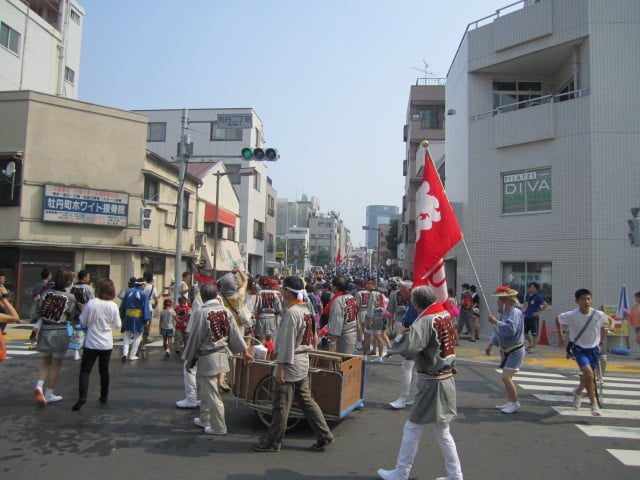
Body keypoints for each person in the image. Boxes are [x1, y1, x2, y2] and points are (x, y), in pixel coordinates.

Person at [377, 285, 463, 480]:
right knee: (442, 431)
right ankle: (455, 475)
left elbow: (409, 347)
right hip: (446, 377)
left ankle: (401, 472)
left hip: (432, 381)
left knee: (413, 427)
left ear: (416, 303)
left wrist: (395, 339)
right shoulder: (444, 314)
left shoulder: (426, 320)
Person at [253, 276, 334, 453]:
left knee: (281, 404)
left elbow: (287, 342)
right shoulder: (306, 310)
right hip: (302, 359)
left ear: (289, 292)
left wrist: (280, 366)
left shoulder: (292, 313)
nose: (281, 292)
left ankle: (273, 442)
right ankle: (324, 434)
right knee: (306, 400)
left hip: (290, 361)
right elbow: (313, 338)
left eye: (283, 290)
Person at [183, 283, 253, 436]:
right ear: (217, 295)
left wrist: (189, 359)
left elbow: (194, 338)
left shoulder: (202, 313)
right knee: (207, 390)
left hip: (208, 357)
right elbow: (235, 333)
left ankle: (219, 427)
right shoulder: (225, 312)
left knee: (212, 393)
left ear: (202, 296)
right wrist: (244, 351)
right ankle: (205, 419)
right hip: (222, 354)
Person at [555, 288, 612, 416]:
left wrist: (605, 334)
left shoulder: (598, 314)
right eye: (583, 299)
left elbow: (608, 322)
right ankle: (593, 404)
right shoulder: (572, 315)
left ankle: (578, 392)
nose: (586, 302)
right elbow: (558, 319)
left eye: (588, 299)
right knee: (589, 374)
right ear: (577, 301)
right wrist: (560, 335)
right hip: (579, 349)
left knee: (587, 377)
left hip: (594, 349)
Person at [72, 278, 121, 411]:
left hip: (91, 342)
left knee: (85, 371)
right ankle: (104, 396)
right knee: (104, 370)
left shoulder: (92, 303)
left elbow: (83, 321)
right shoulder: (113, 306)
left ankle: (82, 396)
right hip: (106, 343)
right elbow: (117, 325)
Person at [33, 267, 76, 406]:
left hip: (45, 330)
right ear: (68, 281)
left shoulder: (47, 293)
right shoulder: (70, 297)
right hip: (60, 331)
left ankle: (39, 385)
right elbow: (71, 315)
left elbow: (39, 310)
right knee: (56, 364)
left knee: (46, 361)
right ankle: (49, 393)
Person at [485, 286, 525, 414]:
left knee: (506, 377)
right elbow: (499, 333)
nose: (498, 303)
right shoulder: (505, 314)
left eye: (500, 300)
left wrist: (496, 322)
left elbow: (510, 330)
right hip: (507, 351)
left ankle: (515, 402)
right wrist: (491, 344)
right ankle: (510, 401)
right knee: (507, 377)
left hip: (515, 350)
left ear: (507, 301)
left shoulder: (515, 313)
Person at [119, 278, 151, 362]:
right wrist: (146, 319)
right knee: (137, 335)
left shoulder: (128, 292)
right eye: (144, 285)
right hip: (138, 317)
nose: (145, 286)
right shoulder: (144, 294)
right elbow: (145, 308)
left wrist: (122, 316)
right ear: (142, 285)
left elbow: (122, 306)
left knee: (126, 335)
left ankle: (125, 353)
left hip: (128, 316)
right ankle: (132, 355)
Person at [326, 275, 359, 354]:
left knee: (342, 362)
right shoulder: (352, 297)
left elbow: (336, 322)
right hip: (352, 333)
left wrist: (333, 343)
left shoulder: (338, 301)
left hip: (343, 336)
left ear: (335, 287)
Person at [70, 270, 95, 360]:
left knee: (76, 333)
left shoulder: (72, 287)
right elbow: (92, 301)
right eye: (88, 277)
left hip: (74, 313)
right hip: (85, 314)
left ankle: (76, 352)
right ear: (84, 278)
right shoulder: (88, 288)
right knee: (87, 333)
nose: (89, 278)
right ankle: (85, 350)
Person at [254, 277, 283, 342]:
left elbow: (256, 307)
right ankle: (269, 352)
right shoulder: (274, 294)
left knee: (262, 339)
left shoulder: (259, 293)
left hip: (261, 317)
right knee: (270, 339)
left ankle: (263, 352)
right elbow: (278, 309)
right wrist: (276, 319)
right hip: (271, 318)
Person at [523, 282, 549, 353]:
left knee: (535, 334)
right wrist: (525, 310)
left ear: (536, 289)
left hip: (534, 318)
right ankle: (530, 343)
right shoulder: (528, 295)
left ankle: (533, 348)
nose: (531, 288)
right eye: (530, 286)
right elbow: (526, 305)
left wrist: (538, 312)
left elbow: (545, 305)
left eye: (533, 287)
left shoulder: (538, 297)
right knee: (525, 333)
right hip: (527, 317)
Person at [28, 268, 51, 349]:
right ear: (48, 276)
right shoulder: (46, 286)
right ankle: (33, 342)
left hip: (37, 307)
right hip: (42, 308)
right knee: (38, 325)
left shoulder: (37, 284)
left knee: (38, 325)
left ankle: (34, 342)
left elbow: (34, 295)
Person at [143, 271, 161, 347]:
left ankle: (140, 337)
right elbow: (156, 299)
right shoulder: (153, 288)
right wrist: (155, 305)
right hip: (148, 307)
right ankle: (145, 339)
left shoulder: (142, 286)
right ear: (151, 279)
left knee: (142, 324)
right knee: (148, 324)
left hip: (140, 307)